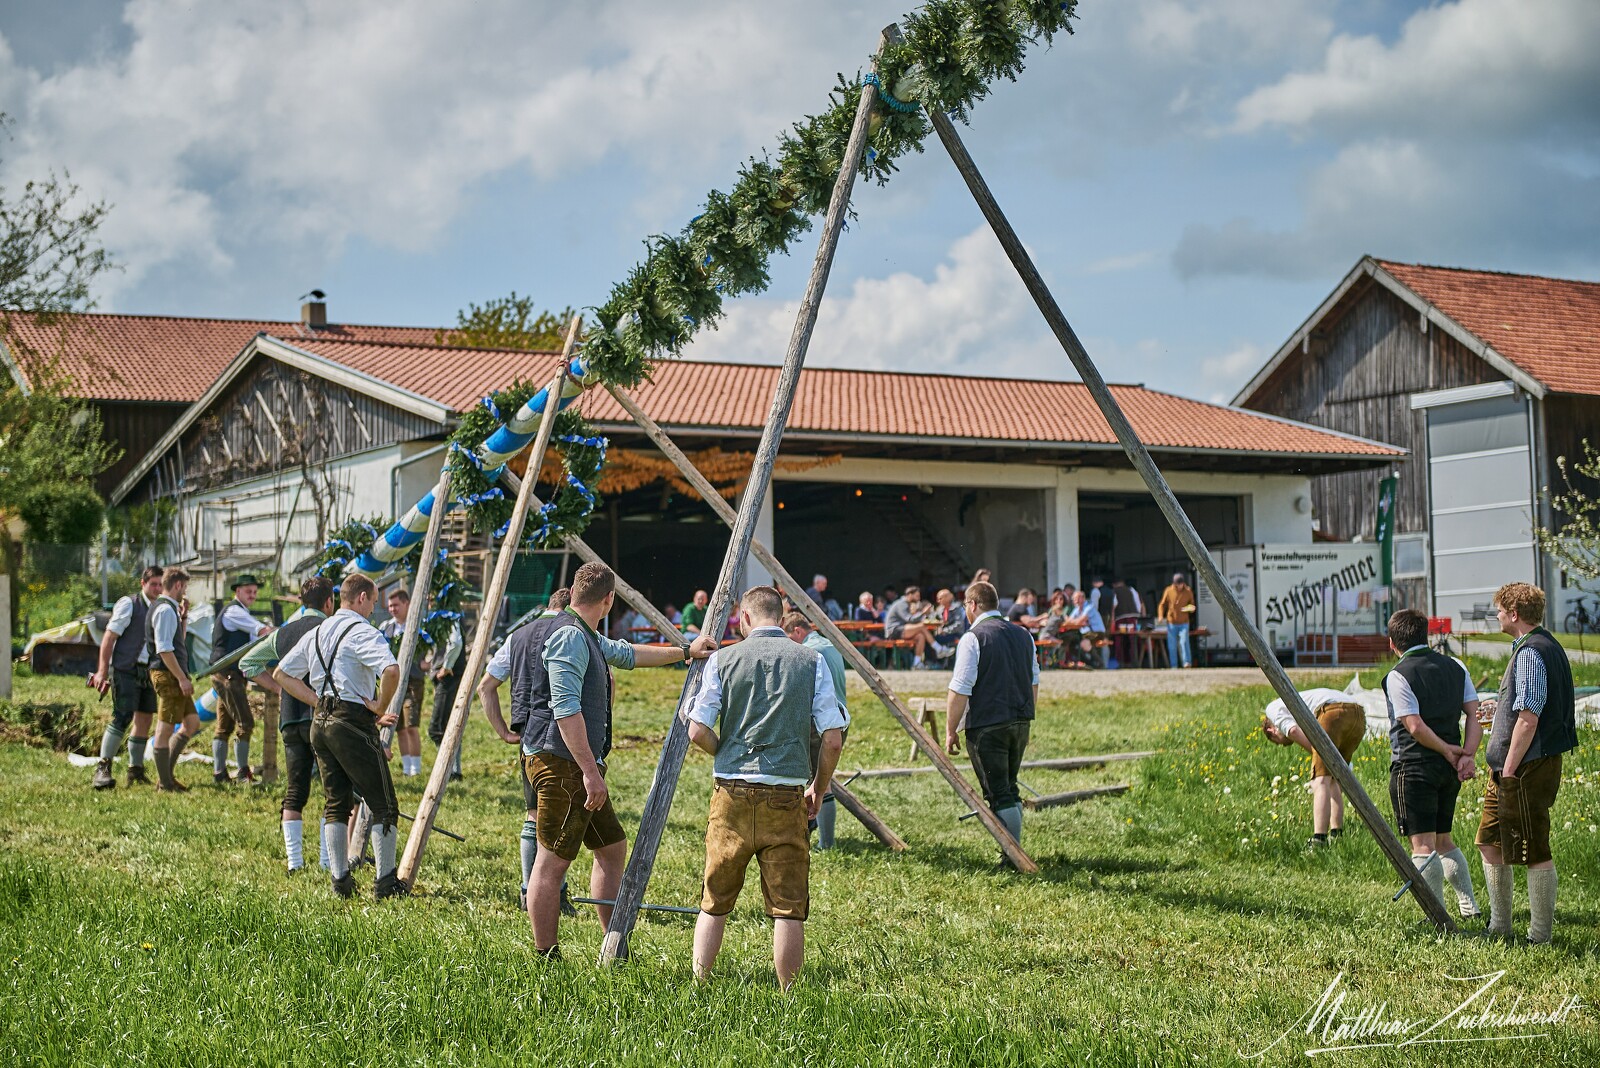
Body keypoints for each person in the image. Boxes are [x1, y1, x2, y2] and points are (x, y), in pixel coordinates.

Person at [516, 563, 711, 959]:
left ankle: (612, 944)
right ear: (608, 601)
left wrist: (684, 652)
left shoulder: (582, 632)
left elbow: (626, 653)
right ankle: (545, 957)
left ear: (573, 593)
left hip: (571, 765)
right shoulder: (571, 636)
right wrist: (590, 772)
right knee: (552, 862)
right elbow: (566, 710)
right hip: (564, 765)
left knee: (611, 848)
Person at [687, 586, 845, 989]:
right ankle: (789, 997)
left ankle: (700, 984)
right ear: (782, 615)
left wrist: (725, 752)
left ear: (744, 618)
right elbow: (832, 738)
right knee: (788, 907)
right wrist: (820, 788)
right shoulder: (812, 660)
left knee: (715, 899)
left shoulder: (723, 658)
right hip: (786, 795)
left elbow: (696, 730)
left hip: (731, 794)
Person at [275, 573, 403, 899]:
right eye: (373, 601)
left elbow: (282, 674)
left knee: (336, 804)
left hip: (319, 722)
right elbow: (391, 670)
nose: (374, 609)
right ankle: (386, 883)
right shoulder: (362, 632)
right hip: (351, 722)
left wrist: (317, 701)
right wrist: (379, 706)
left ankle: (340, 882)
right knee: (384, 805)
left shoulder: (318, 631)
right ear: (360, 598)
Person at [1476, 582, 1578, 944]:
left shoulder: (1533, 652)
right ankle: (1499, 926)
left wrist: (1508, 769)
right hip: (1516, 765)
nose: (1498, 615)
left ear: (1514, 614)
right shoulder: (1540, 645)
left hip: (1526, 767)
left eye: (1501, 610)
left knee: (1534, 847)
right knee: (1490, 841)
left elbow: (1530, 716)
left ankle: (1540, 937)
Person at [479, 588, 577, 914]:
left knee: (534, 813)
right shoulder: (573, 631)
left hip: (527, 738)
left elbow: (486, 686)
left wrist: (503, 730)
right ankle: (552, 894)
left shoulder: (517, 636)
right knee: (557, 815)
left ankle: (527, 889)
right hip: (564, 735)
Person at [1380, 609, 1482, 919]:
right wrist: (1467, 753)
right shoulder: (1457, 666)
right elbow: (1475, 715)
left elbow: (1415, 727)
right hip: (1447, 771)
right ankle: (1469, 906)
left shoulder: (1398, 675)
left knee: (1423, 846)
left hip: (1414, 766)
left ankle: (1436, 914)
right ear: (1426, 635)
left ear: (1391, 643)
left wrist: (1450, 752)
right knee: (1444, 840)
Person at [242, 576, 336, 874]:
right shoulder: (329, 630)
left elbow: (248, 664)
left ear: (300, 601)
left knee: (295, 789)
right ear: (329, 602)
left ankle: (294, 862)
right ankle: (326, 860)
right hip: (321, 718)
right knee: (332, 791)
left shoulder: (282, 633)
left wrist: (280, 689)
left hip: (290, 719)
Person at [944, 581, 1036, 866]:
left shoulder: (973, 638)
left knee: (999, 792)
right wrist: (1025, 714)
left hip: (988, 723)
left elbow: (960, 689)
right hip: (1020, 719)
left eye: (966, 606)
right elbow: (1034, 682)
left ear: (972, 605)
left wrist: (950, 730)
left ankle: (1013, 856)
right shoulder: (1024, 635)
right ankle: (1014, 851)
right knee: (1009, 787)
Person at [1262, 690, 1371, 849]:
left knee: (1320, 781)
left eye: (1278, 742)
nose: (1284, 744)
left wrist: (1319, 753)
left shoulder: (1272, 709)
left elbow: (1292, 731)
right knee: (1335, 780)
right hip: (1358, 715)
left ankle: (1319, 839)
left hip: (1333, 712)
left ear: (1271, 731)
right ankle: (1336, 834)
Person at [89, 565, 164, 789]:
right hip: (125, 669)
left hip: (147, 671)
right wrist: (102, 671)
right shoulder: (129, 604)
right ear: (143, 583)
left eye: (161, 585)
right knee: (122, 717)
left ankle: (135, 769)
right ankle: (103, 767)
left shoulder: (161, 608)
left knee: (145, 718)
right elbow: (109, 638)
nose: (157, 589)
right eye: (153, 584)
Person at [781, 611, 851, 850]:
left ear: (798, 632)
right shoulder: (830, 645)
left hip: (818, 723)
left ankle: (826, 844)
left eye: (790, 638)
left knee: (820, 782)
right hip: (840, 718)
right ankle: (814, 832)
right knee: (820, 778)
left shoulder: (810, 653)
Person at [212, 573, 274, 785]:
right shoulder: (234, 611)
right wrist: (282, 635)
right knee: (245, 722)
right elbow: (262, 631)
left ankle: (219, 773)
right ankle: (242, 772)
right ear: (237, 591)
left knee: (224, 725)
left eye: (255, 592)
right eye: (248, 591)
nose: (253, 595)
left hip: (227, 674)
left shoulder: (239, 612)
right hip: (228, 675)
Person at [146, 567, 197, 793]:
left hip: (175, 674)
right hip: (169, 675)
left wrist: (184, 616)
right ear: (177, 585)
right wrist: (181, 678)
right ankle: (165, 783)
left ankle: (166, 776)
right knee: (165, 729)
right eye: (184, 587)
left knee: (192, 723)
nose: (185, 591)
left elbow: (178, 641)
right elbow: (165, 650)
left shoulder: (171, 610)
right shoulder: (165, 611)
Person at [380, 587, 427, 776]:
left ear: (407, 604)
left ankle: (416, 768)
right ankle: (407, 767)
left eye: (396, 605)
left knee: (411, 725)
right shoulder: (386, 628)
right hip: (393, 682)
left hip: (414, 680)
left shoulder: (417, 626)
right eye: (390, 606)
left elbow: (430, 648)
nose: (392, 609)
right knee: (397, 725)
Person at [427, 613, 466, 782]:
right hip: (447, 677)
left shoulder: (449, 616)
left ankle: (448, 770)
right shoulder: (442, 617)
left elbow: (455, 642)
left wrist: (446, 666)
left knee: (438, 728)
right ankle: (453, 771)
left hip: (449, 677)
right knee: (449, 726)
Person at [884, 586, 938, 668]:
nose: (919, 598)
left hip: (901, 629)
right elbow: (909, 619)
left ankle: (916, 663)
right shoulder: (902, 604)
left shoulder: (908, 604)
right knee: (921, 626)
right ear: (910, 595)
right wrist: (923, 613)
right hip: (894, 631)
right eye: (917, 596)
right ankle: (938, 648)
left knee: (921, 636)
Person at [1157, 572, 1197, 669]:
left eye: (1181, 584)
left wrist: (1189, 608)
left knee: (1184, 642)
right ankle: (1174, 665)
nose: (1179, 586)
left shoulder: (1188, 591)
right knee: (1172, 645)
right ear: (1174, 584)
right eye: (1177, 584)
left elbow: (1192, 605)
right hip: (1171, 622)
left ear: (1183, 583)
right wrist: (1160, 616)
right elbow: (1162, 604)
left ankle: (1187, 663)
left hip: (1184, 622)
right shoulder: (1168, 590)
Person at [1063, 589, 1106, 667]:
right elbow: (1068, 621)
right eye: (1073, 599)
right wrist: (1073, 621)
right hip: (1086, 633)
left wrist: (1074, 621)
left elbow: (1079, 621)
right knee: (1072, 645)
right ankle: (1089, 663)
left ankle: (1099, 663)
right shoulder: (1077, 609)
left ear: (1082, 598)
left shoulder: (1089, 607)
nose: (1074, 601)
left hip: (1097, 632)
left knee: (1084, 643)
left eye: (1076, 599)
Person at [931, 587, 967, 661]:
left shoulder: (957, 608)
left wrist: (945, 631)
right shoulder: (940, 609)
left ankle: (940, 656)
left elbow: (959, 625)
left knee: (933, 640)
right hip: (943, 634)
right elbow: (934, 620)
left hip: (956, 634)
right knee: (930, 639)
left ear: (948, 597)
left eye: (940, 598)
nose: (938, 601)